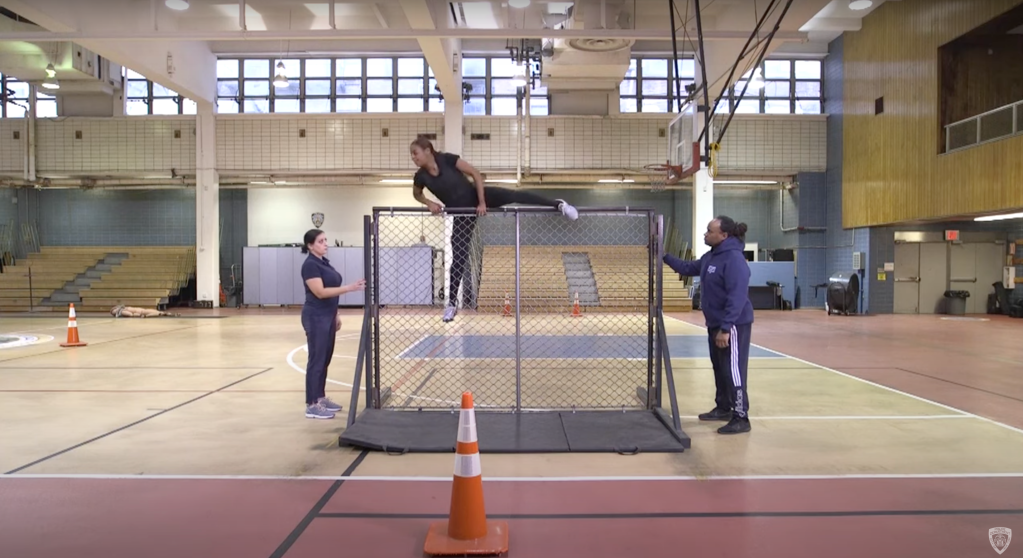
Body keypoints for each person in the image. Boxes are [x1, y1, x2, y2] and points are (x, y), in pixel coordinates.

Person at [409, 136, 580, 323]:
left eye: (415, 153)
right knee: (458, 256)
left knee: (515, 195)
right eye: (412, 154)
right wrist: (428, 203)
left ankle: (558, 205)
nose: (413, 157)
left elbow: (475, 173)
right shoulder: (420, 176)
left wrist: (482, 202)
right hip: (461, 212)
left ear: (428, 151)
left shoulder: (447, 159)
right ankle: (451, 305)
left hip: (477, 197)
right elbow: (416, 194)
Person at [663, 216, 754, 435]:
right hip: (715, 323)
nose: (705, 234)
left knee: (734, 371)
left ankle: (741, 416)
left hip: (732, 325)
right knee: (720, 367)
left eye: (709, 231)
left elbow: (737, 296)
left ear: (724, 235)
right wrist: (663, 256)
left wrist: (726, 328)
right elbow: (686, 267)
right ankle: (723, 407)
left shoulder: (733, 259)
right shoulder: (711, 256)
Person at [300, 228, 366, 419]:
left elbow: (330, 294)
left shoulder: (324, 263)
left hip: (328, 316)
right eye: (320, 241)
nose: (325, 243)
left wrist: (335, 314)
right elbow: (320, 292)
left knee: (325, 358)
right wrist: (350, 288)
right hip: (315, 316)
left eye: (326, 240)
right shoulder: (310, 265)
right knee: (316, 359)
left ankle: (320, 397)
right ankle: (312, 404)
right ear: (310, 245)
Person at [110, 305, 180, 318]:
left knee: (158, 312)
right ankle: (170, 314)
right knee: (158, 313)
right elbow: (130, 314)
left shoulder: (123, 308)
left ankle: (170, 314)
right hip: (142, 312)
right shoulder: (122, 311)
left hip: (142, 310)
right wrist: (120, 312)